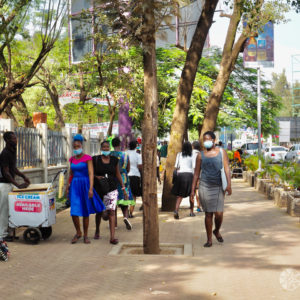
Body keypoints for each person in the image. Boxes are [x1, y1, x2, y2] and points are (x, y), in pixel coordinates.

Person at [191, 131, 232, 248]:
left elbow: (227, 169)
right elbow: (196, 174)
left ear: (214, 140)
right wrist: (192, 190)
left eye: (208, 139)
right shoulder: (200, 155)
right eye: (204, 140)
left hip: (218, 186)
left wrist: (229, 185)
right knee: (208, 214)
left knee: (219, 213)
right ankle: (209, 239)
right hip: (204, 187)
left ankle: (216, 230)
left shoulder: (222, 153)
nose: (206, 141)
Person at [67, 134, 105, 244]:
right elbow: (70, 173)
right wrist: (67, 187)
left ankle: (86, 235)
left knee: (85, 210)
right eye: (74, 147)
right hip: (74, 185)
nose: (76, 148)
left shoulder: (87, 158)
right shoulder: (72, 159)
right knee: (74, 211)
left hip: (85, 185)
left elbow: (91, 173)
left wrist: (91, 189)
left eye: (78, 146)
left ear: (81, 146)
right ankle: (78, 232)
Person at [0, 132, 30, 261]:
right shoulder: (5, 153)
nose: (16, 140)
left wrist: (23, 176)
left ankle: (7, 233)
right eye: (13, 138)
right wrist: (17, 184)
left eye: (15, 138)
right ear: (7, 140)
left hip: (9, 184)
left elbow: (13, 169)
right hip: (4, 185)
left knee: (9, 210)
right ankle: (2, 236)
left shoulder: (12, 151)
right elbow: (6, 172)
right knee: (3, 211)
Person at [93, 141, 128, 244]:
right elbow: (90, 173)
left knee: (112, 211)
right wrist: (96, 177)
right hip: (99, 188)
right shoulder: (96, 159)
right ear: (101, 148)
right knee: (99, 212)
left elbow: (117, 174)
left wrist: (123, 188)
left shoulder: (114, 160)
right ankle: (97, 229)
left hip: (112, 188)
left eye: (107, 147)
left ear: (110, 148)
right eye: (103, 147)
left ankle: (112, 237)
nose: (105, 149)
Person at [110, 137, 134, 230]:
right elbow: (128, 169)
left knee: (114, 201)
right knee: (124, 200)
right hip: (124, 178)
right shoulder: (125, 154)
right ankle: (125, 217)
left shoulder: (110, 154)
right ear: (120, 144)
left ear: (112, 145)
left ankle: (114, 224)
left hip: (112, 179)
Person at [172, 141, 194, 219]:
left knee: (179, 196)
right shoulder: (193, 155)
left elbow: (176, 166)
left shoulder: (179, 155)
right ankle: (191, 212)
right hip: (190, 175)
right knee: (191, 194)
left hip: (181, 175)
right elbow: (194, 167)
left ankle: (176, 210)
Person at [127, 140, 142, 218]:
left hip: (126, 176)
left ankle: (125, 212)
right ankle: (131, 212)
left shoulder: (125, 154)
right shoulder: (138, 155)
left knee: (126, 194)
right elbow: (140, 166)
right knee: (133, 195)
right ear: (136, 146)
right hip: (135, 175)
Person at [192, 141, 202, 213]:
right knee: (198, 190)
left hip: (191, 175)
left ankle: (191, 209)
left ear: (192, 146)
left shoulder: (189, 153)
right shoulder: (202, 154)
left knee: (192, 191)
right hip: (199, 175)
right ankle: (199, 206)